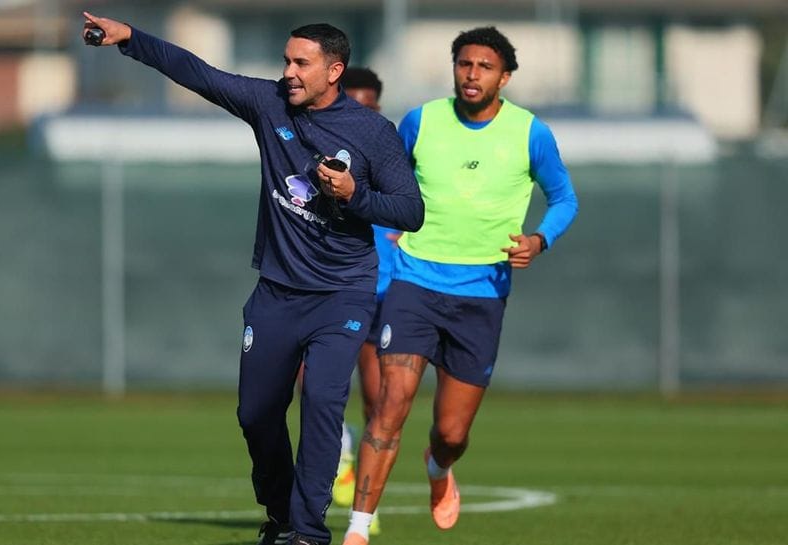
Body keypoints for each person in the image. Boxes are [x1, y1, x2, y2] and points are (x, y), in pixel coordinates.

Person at [80, 14, 424, 545]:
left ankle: (308, 533)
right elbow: (199, 73)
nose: (288, 71)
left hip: (344, 294)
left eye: (300, 63)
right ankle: (282, 513)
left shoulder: (373, 133)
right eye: (286, 59)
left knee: (322, 409)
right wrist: (130, 39)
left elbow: (410, 211)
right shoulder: (269, 104)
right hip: (276, 294)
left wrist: (354, 194)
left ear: (334, 70)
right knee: (256, 413)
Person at [341, 26, 579, 545]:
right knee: (389, 406)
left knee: (451, 433)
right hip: (413, 285)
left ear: (505, 76)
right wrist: (385, 229)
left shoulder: (529, 132)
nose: (472, 75)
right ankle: (358, 530)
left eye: (484, 67)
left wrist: (539, 240)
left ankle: (438, 467)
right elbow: (386, 181)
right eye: (464, 64)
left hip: (481, 296)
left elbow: (565, 199)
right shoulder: (421, 121)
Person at [328, 67, 395, 537]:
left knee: (380, 401)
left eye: (368, 105)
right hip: (332, 292)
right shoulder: (322, 158)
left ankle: (365, 509)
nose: (359, 112)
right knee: (315, 389)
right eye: (351, 103)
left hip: (383, 295)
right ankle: (336, 452)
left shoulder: (394, 159)